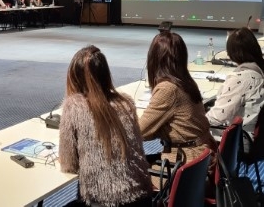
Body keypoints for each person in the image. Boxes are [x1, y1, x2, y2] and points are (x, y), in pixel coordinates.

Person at [59, 46, 153, 207]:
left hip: (103, 201)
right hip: (142, 199)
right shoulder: (125, 103)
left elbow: (69, 165)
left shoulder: (73, 106)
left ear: (74, 77)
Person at [139, 31, 217, 173]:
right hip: (203, 156)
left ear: (154, 58)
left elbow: (140, 131)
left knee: (132, 176)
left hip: (186, 163)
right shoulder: (185, 81)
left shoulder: (168, 89)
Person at [206, 27, 264, 137]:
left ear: (231, 53)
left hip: (239, 141)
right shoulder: (259, 70)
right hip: (253, 137)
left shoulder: (241, 79)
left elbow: (216, 118)